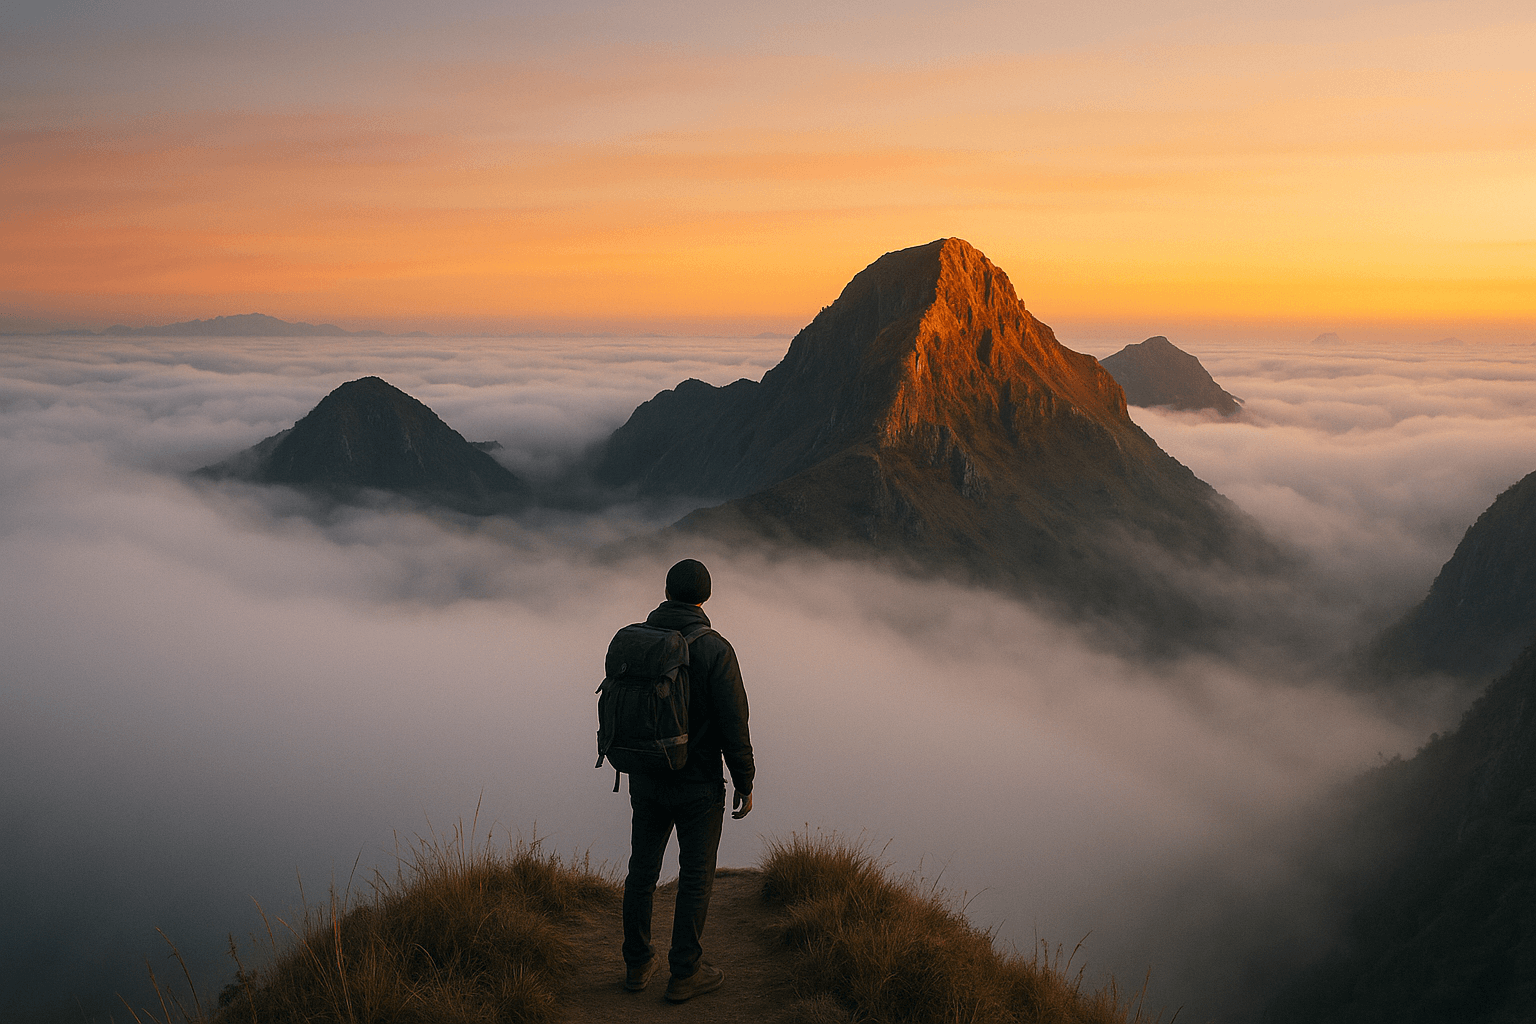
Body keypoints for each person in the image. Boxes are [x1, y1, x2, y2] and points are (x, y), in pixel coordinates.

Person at [620, 557, 755, 1003]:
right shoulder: (716, 649)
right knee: (695, 875)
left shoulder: (638, 640)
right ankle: (685, 973)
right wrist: (745, 780)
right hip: (698, 783)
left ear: (666, 591)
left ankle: (637, 965)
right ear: (705, 596)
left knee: (642, 869)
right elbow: (734, 722)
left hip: (646, 774)